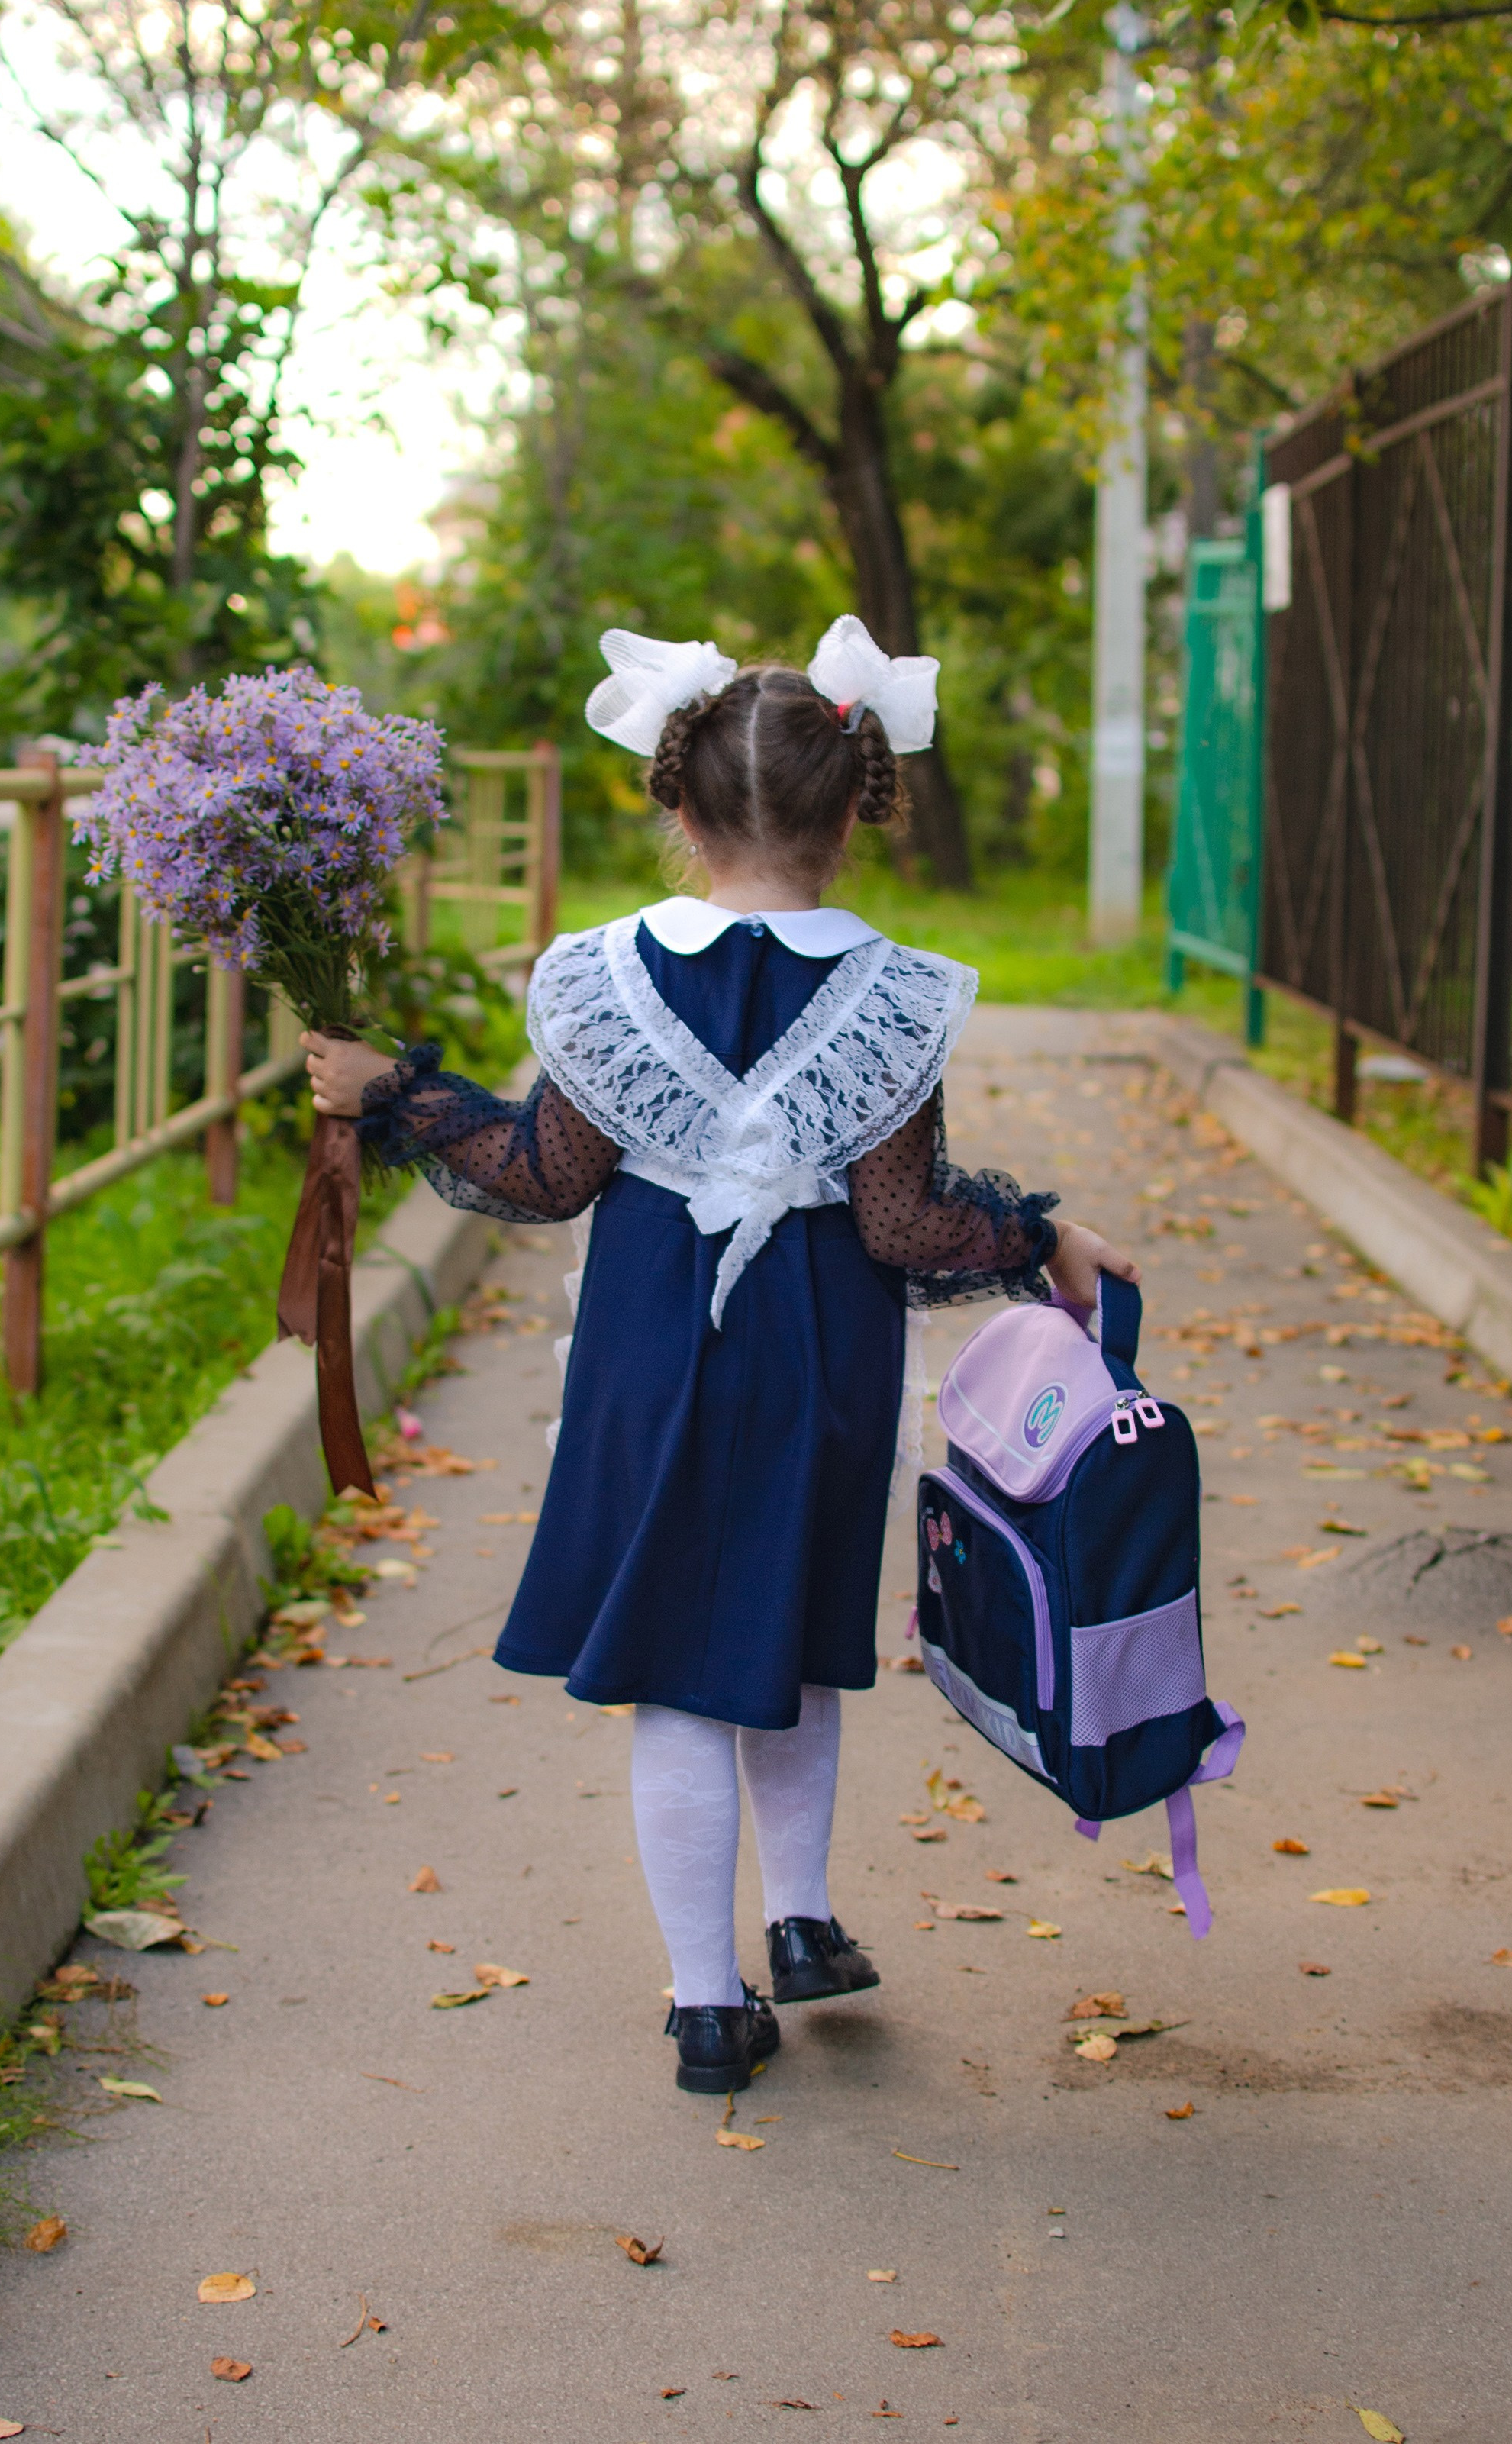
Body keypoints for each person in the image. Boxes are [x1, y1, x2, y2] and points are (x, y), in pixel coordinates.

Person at [303, 617, 1138, 2097]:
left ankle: (708, 2001)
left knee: (679, 1683)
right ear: (852, 812)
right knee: (795, 1629)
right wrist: (1042, 1234)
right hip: (817, 1356)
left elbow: (545, 1171)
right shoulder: (892, 992)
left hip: (645, 1348)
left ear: (677, 807)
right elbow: (898, 1220)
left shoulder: (599, 976)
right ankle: (802, 1917)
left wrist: (393, 1094)